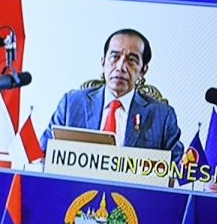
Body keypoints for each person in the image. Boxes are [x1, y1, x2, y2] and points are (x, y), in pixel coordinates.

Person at [41, 29, 183, 162]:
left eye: (132, 60)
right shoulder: (71, 104)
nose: (120, 67)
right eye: (114, 57)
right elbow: (43, 154)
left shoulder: (162, 116)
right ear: (103, 63)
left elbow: (177, 169)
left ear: (143, 71)